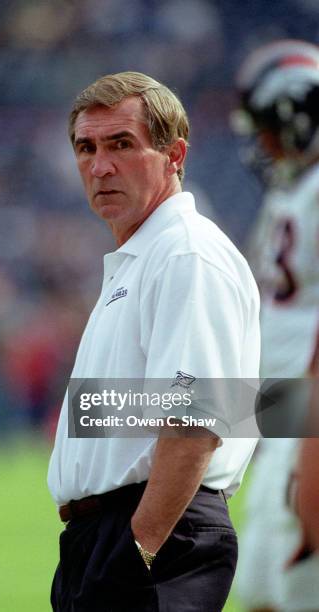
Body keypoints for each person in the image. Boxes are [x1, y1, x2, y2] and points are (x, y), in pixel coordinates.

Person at [47, 71, 260, 612]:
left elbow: (196, 419)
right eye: (86, 147)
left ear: (175, 154)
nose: (99, 166)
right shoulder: (144, 257)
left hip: (156, 533)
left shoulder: (184, 254)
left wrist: (137, 547)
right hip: (118, 536)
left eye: (122, 144)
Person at [231, 40, 319, 611]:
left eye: (267, 127)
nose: (261, 143)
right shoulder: (294, 191)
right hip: (281, 411)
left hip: (309, 415)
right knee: (260, 588)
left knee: (299, 589)